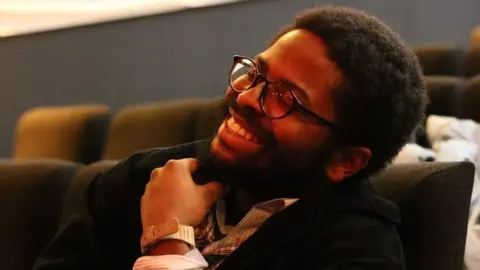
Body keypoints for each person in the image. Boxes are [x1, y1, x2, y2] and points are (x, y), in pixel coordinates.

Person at [34, 5, 427, 270]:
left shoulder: (356, 251)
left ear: (345, 161)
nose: (246, 97)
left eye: (285, 99)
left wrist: (169, 242)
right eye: (256, 73)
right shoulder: (147, 176)